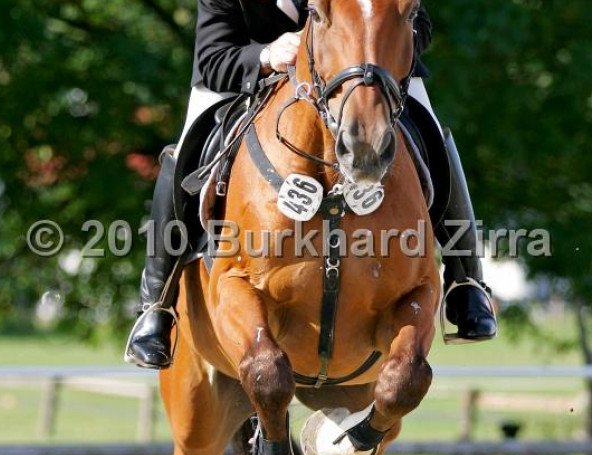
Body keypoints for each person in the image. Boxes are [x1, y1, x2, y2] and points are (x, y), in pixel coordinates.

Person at [124, 0, 497, 369]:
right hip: (244, 74)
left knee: (432, 130)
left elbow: (420, 26)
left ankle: (466, 283)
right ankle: (156, 304)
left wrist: (379, 38)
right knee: (187, 146)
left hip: (355, 73)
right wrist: (267, 56)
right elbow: (212, 58)